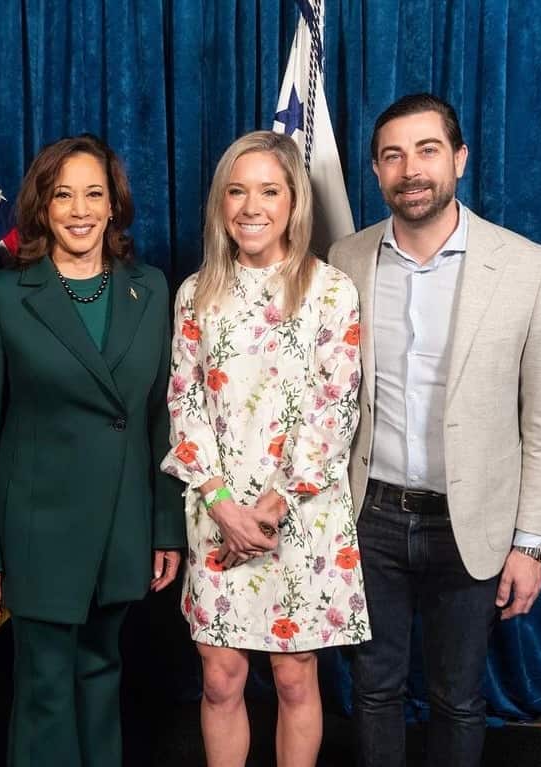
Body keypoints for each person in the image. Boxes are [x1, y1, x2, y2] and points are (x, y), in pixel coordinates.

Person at [328, 93, 541, 767]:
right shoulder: (344, 260)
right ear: (375, 171)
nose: (412, 169)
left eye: (427, 150)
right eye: (393, 155)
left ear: (459, 159)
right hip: (370, 514)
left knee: (459, 697)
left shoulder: (531, 269)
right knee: (372, 690)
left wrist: (532, 545)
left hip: (471, 525)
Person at [0, 134, 185, 767]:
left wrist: (166, 527)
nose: (80, 209)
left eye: (94, 193)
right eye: (64, 195)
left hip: (121, 524)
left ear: (114, 205)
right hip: (38, 532)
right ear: (43, 206)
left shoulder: (152, 289)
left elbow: (161, 421)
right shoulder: (6, 297)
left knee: (102, 675)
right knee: (46, 689)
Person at [162, 130, 368, 767]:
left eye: (268, 191)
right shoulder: (196, 294)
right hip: (217, 511)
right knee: (221, 677)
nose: (251, 205)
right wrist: (226, 507)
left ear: (293, 203)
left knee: (294, 676)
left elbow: (335, 408)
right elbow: (183, 404)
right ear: (221, 205)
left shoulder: (331, 292)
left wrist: (274, 505)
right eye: (237, 190)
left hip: (301, 517)